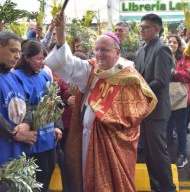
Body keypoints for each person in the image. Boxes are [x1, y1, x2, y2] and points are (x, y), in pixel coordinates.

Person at [44, 13, 157, 192]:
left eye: (104, 50)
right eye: (96, 49)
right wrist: (61, 32)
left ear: (117, 52)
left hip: (113, 143)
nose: (99, 54)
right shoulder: (93, 68)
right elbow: (69, 65)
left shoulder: (129, 77)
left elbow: (137, 111)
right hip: (88, 138)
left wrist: (103, 114)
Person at [13, 40, 62, 192]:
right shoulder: (16, 77)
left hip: (49, 140)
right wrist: (41, 108)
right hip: (32, 142)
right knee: (35, 183)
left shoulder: (44, 76)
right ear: (26, 57)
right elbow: (22, 107)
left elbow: (54, 101)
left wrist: (56, 126)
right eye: (38, 59)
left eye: (43, 59)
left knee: (47, 179)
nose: (42, 63)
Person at [135, 13, 176, 192]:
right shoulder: (141, 50)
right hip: (144, 110)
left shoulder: (162, 49)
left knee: (158, 154)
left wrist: (137, 91)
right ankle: (156, 187)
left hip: (157, 111)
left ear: (156, 29)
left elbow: (160, 81)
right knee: (150, 155)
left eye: (145, 27)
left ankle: (168, 188)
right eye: (141, 27)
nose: (141, 30)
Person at [0, 31, 37, 166]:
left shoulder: (15, 77)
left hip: (18, 155)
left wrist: (26, 123)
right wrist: (14, 134)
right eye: (13, 51)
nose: (17, 56)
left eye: (19, 52)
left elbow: (26, 105)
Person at [166, 34, 190, 168]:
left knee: (181, 128)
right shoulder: (163, 57)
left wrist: (174, 72)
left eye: (174, 42)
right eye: (169, 41)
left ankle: (182, 155)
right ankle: (166, 154)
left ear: (178, 45)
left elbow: (189, 76)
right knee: (167, 126)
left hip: (180, 97)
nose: (171, 44)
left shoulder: (184, 58)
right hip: (166, 97)